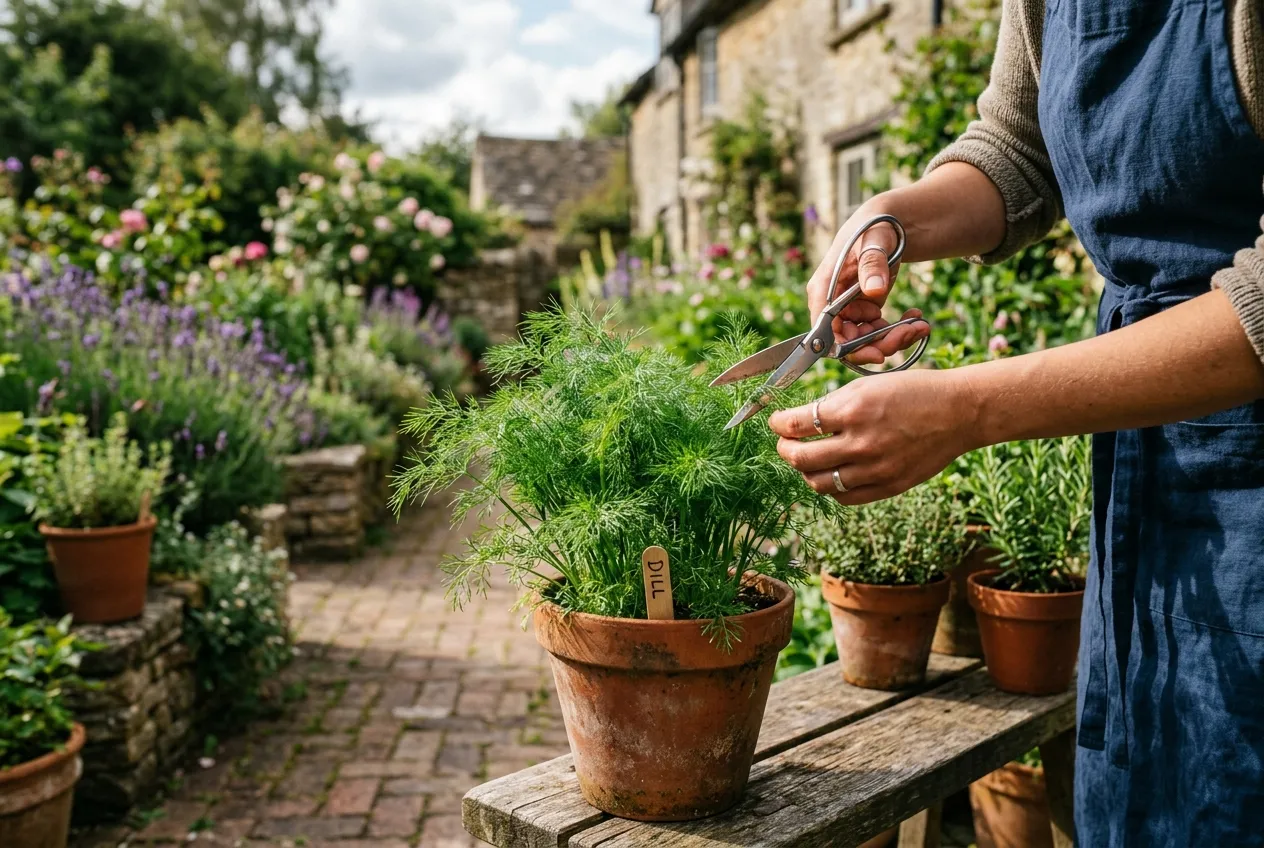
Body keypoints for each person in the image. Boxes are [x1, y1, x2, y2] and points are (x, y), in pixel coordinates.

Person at [769, 0, 1264, 843]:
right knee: (1147, 782)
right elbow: (1016, 146)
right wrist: (893, 216)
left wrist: (968, 408)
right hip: (1146, 450)